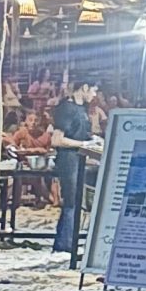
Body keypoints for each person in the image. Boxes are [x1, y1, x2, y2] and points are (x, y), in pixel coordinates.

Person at [48, 82, 94, 254]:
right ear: (85, 87)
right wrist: (83, 144)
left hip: (78, 158)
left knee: (77, 200)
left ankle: (67, 240)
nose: (95, 95)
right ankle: (65, 243)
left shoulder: (82, 109)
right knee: (71, 200)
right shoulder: (67, 108)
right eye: (93, 90)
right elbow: (57, 139)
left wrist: (93, 141)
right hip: (68, 159)